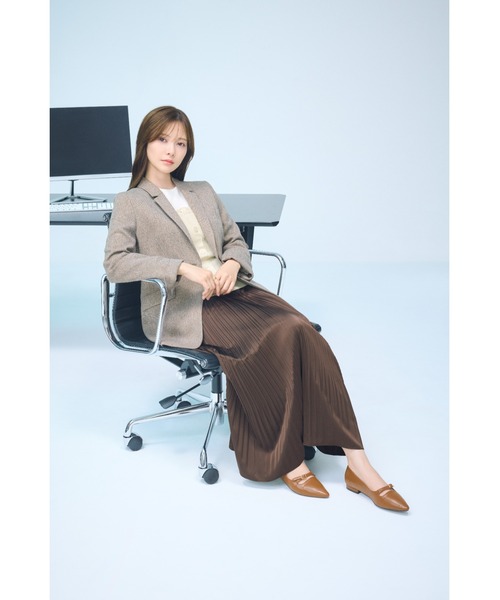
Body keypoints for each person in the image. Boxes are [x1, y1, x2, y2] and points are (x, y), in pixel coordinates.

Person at [104, 105, 409, 511]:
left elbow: (234, 240)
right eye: (162, 140)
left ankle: (359, 464)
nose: (171, 150)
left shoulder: (202, 191)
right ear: (145, 142)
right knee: (279, 335)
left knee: (301, 328)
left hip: (236, 290)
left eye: (180, 143)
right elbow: (116, 262)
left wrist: (232, 263)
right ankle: (288, 460)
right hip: (186, 306)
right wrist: (182, 268)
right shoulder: (131, 201)